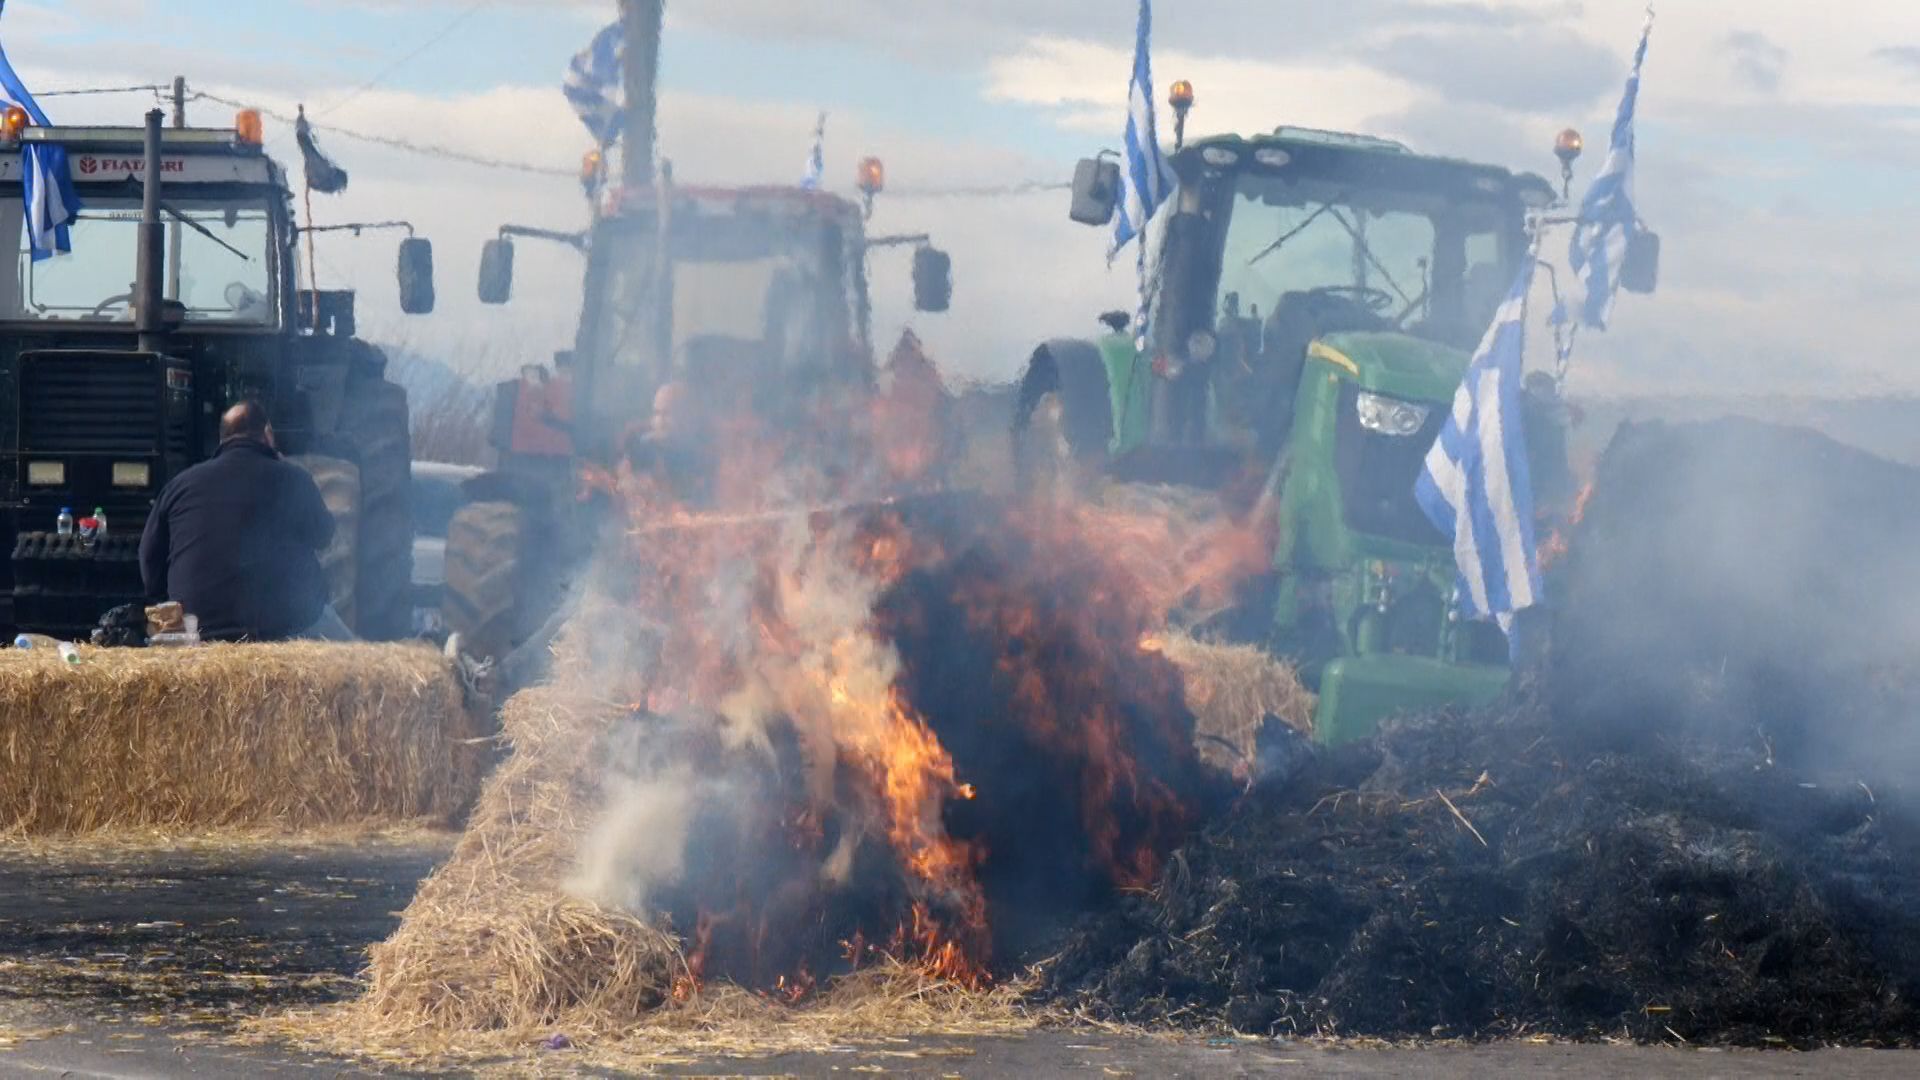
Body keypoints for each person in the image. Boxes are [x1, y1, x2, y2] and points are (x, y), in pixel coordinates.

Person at [139, 402, 351, 642]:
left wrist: (171, 599)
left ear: (222, 439)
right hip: (285, 627)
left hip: (195, 629)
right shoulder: (295, 479)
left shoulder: (179, 485)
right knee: (353, 655)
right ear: (268, 433)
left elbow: (149, 559)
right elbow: (323, 536)